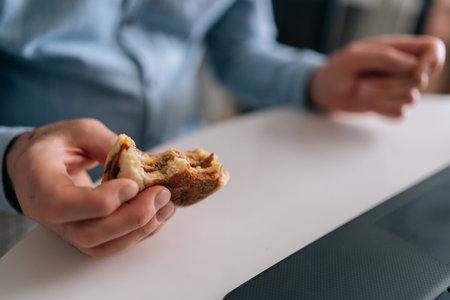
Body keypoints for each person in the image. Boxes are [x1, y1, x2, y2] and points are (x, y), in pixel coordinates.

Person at [0, 0, 445, 258]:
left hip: (186, 202)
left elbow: (240, 50)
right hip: (20, 201)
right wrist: (11, 158)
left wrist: (314, 79)